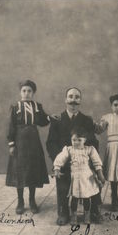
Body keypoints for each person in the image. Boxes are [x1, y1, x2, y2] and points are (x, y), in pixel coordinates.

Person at [46, 87, 102, 225]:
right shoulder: (57, 119)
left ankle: (94, 210)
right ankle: (64, 212)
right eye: (70, 97)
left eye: (77, 97)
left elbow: (93, 142)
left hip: (83, 161)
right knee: (63, 184)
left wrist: (91, 163)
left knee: (92, 181)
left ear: (80, 101)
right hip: (64, 161)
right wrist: (58, 161)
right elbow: (51, 142)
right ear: (66, 100)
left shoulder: (87, 120)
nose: (73, 100)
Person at [6, 79, 54, 215]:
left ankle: (32, 200)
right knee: (19, 171)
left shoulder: (37, 106)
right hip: (19, 142)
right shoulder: (15, 107)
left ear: (33, 93)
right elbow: (11, 126)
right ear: (20, 92)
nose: (26, 93)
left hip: (33, 141)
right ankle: (20, 201)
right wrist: (11, 144)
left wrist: (50, 118)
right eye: (24, 91)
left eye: (29, 91)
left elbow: (43, 121)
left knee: (32, 170)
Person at [53, 127, 105, 225]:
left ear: (85, 140)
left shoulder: (89, 149)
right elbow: (60, 158)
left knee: (87, 198)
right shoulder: (69, 149)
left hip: (87, 178)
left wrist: (100, 174)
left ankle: (87, 215)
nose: (76, 142)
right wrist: (57, 168)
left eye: (79, 140)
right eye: (74, 140)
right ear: (71, 140)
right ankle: (74, 216)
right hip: (75, 178)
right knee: (74, 198)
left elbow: (97, 162)